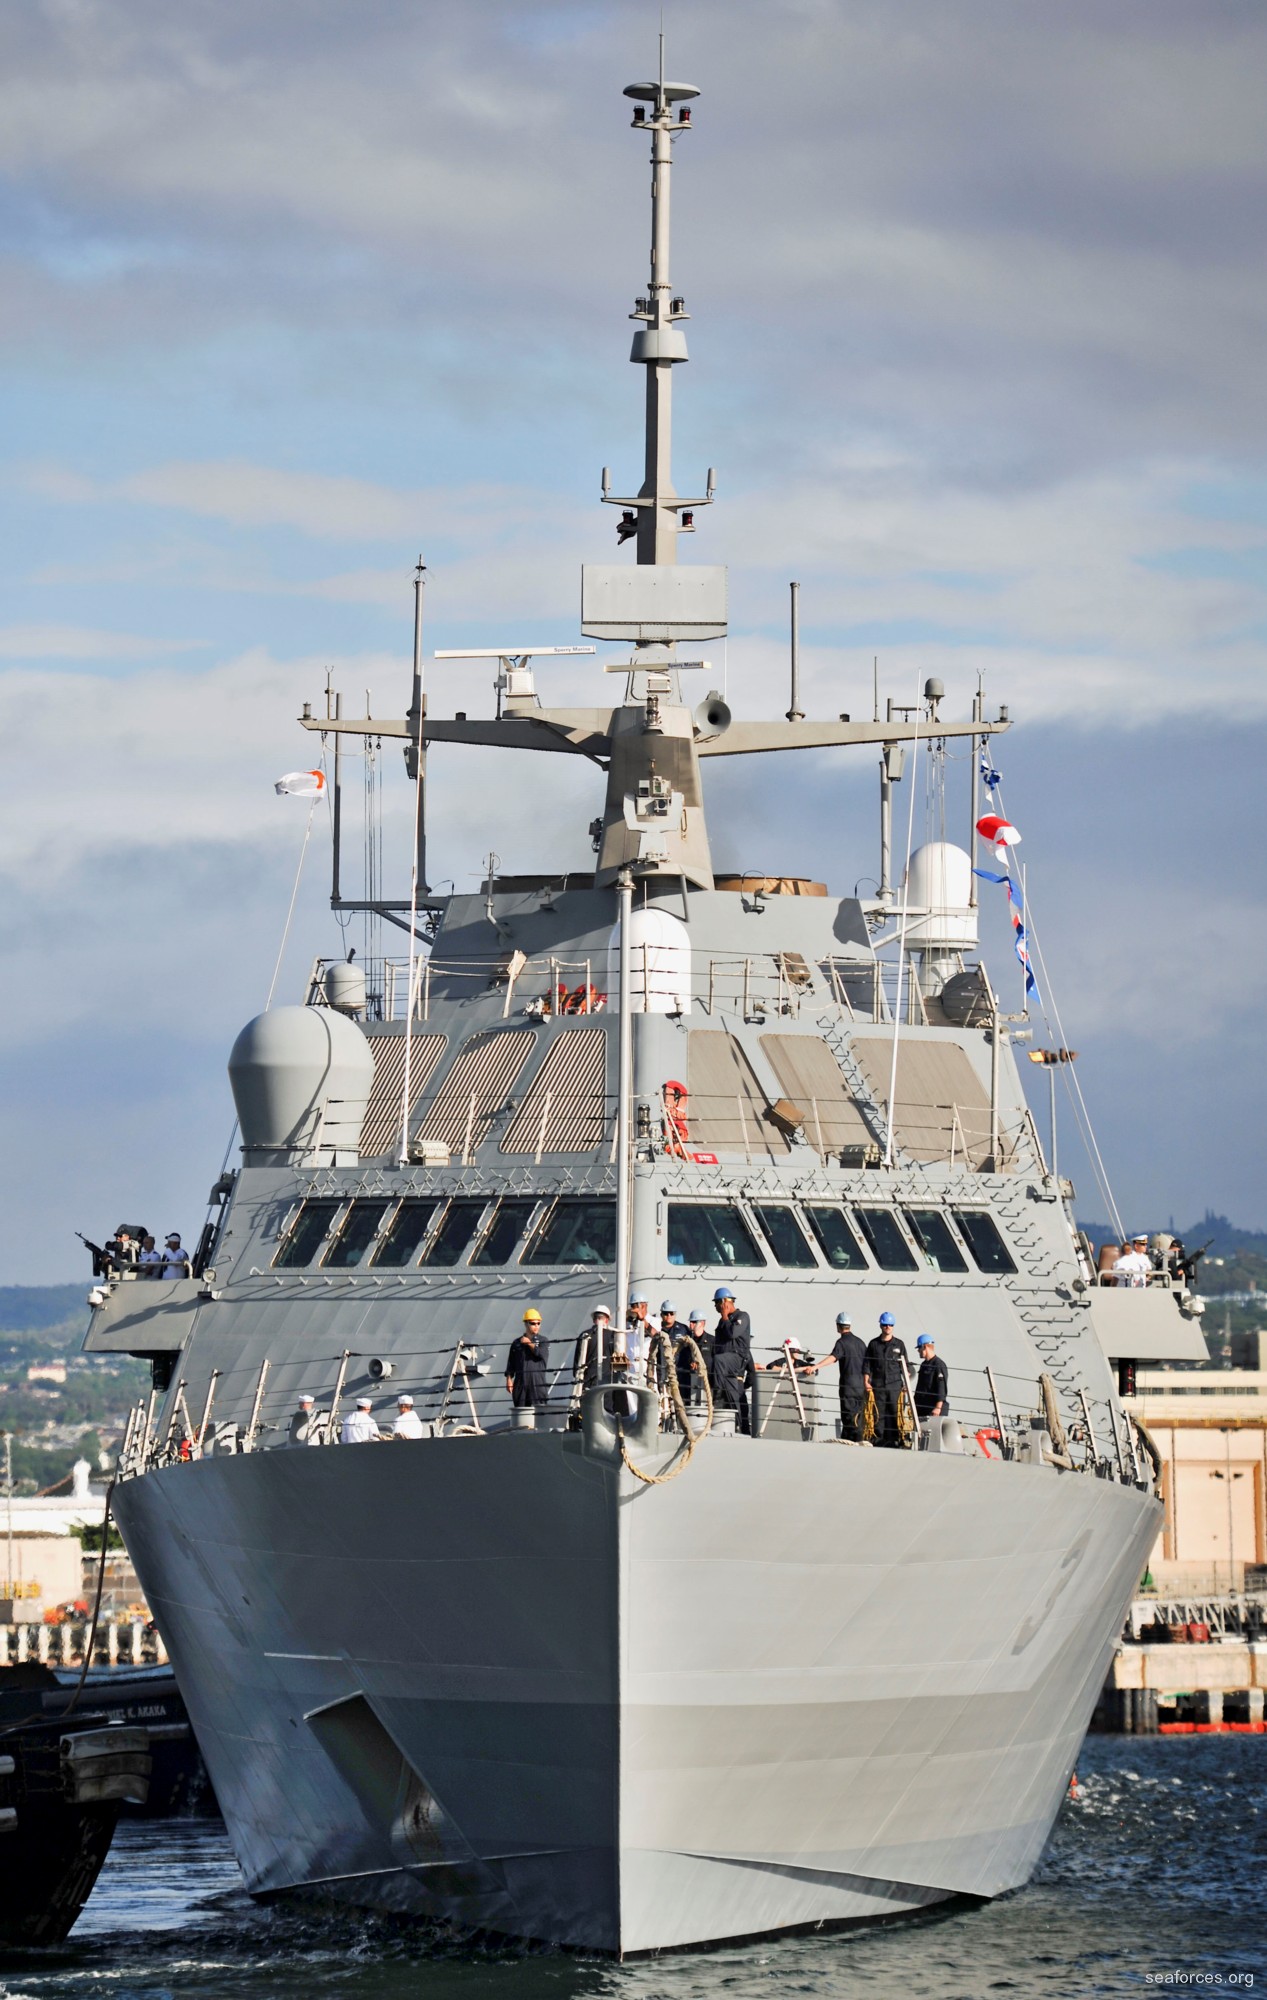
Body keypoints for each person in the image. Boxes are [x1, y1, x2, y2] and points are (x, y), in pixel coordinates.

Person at [811, 1312, 869, 1443]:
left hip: (848, 1386)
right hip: (861, 1387)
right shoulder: (861, 1343)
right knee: (859, 1417)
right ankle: (857, 1440)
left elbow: (833, 1357)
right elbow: (868, 1364)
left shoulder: (841, 1342)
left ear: (838, 1326)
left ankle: (851, 1442)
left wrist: (816, 1366)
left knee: (848, 1417)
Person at [711, 1287, 760, 1435]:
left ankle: (717, 1397)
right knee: (734, 1404)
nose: (715, 1307)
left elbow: (732, 1333)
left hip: (736, 1360)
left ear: (725, 1302)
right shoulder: (722, 1321)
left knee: (740, 1406)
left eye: (717, 1303)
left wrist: (725, 1317)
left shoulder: (742, 1316)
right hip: (724, 1369)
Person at [865, 1312, 911, 1448]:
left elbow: (905, 1366)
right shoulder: (873, 1344)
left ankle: (896, 1439)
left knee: (895, 1413)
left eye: (890, 1325)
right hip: (878, 1386)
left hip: (895, 1386)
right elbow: (867, 1365)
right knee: (878, 1414)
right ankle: (878, 1440)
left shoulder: (899, 1345)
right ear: (881, 1325)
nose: (888, 1327)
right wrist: (866, 1382)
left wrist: (906, 1384)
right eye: (885, 1325)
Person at [505, 1309, 551, 1408]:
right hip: (520, 1383)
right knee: (521, 1410)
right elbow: (511, 1363)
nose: (536, 1326)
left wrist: (529, 1344)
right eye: (533, 1323)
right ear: (526, 1324)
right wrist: (509, 1379)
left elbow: (541, 1354)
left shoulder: (544, 1341)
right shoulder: (516, 1343)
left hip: (537, 1382)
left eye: (538, 1323)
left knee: (540, 1411)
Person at [572, 1306, 611, 1391]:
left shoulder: (585, 1335)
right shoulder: (612, 1335)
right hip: (607, 1380)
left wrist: (577, 1375)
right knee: (606, 1403)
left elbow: (577, 1359)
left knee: (587, 1402)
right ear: (607, 1320)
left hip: (587, 1379)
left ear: (594, 1319)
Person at [914, 1335, 950, 1421]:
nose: (918, 1351)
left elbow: (941, 1387)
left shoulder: (939, 1365)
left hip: (933, 1410)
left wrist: (938, 1407)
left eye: (919, 1348)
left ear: (925, 1347)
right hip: (922, 1408)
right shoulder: (923, 1365)